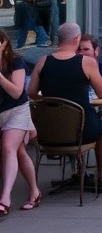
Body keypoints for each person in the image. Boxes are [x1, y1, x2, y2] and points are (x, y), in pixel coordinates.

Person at [28, 22, 102, 185]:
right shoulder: (86, 63)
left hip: (50, 131)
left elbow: (31, 92)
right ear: (77, 39)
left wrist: (51, 102)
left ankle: (79, 172)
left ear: (58, 39)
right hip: (81, 130)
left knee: (88, 121)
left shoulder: (42, 61)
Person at [0, 28, 41, 213]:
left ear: (4, 44)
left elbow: (17, 92)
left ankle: (5, 198)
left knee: (8, 148)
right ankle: (34, 191)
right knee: (20, 153)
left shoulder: (15, 61)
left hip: (17, 110)